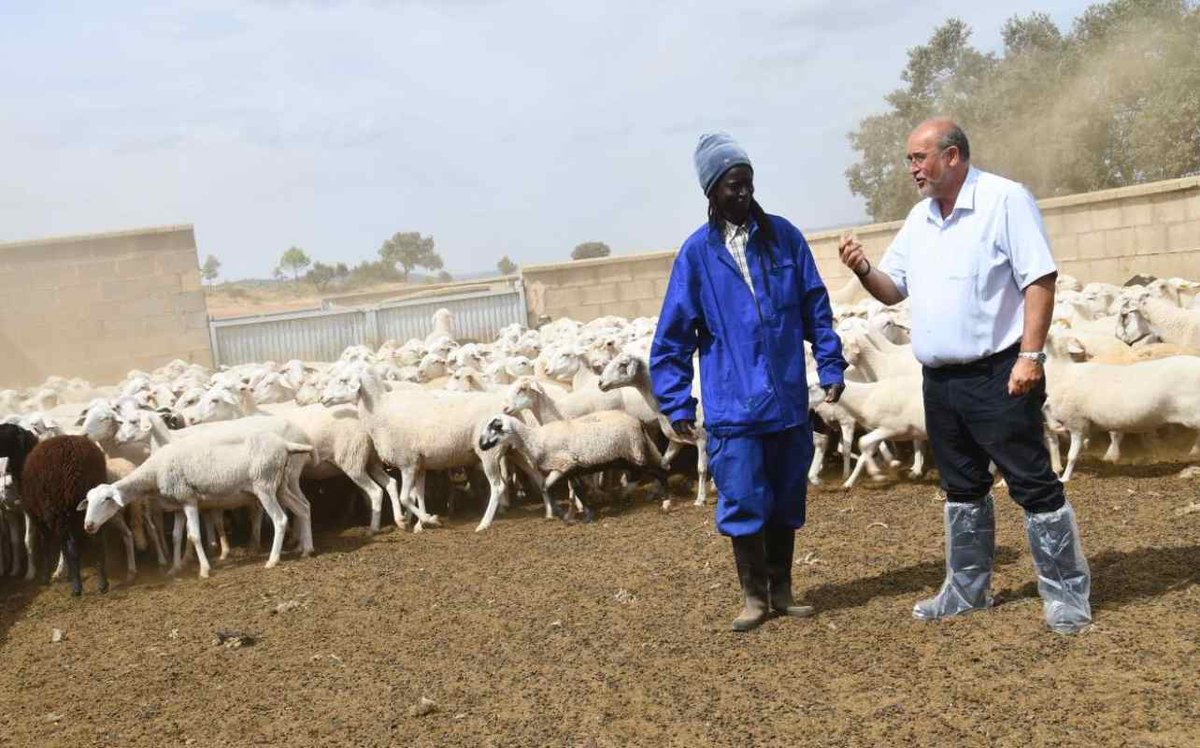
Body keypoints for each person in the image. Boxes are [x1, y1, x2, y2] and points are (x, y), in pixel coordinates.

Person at [838, 118, 1091, 634]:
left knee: (1031, 481)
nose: (912, 168)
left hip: (1000, 372)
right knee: (960, 487)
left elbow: (1039, 278)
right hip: (941, 381)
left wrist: (1031, 356)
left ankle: (1066, 595)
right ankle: (967, 589)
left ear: (952, 156)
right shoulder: (919, 219)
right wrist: (863, 268)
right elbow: (893, 290)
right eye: (909, 159)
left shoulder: (1004, 200)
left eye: (919, 157)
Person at [651, 133, 847, 632]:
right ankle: (754, 597)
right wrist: (675, 401)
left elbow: (814, 307)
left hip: (784, 398)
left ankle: (782, 589)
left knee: (786, 496)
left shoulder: (785, 238)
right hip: (733, 406)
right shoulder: (696, 256)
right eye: (732, 186)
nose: (743, 194)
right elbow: (674, 334)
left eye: (748, 183)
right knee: (742, 498)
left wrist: (830, 364)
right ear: (711, 192)